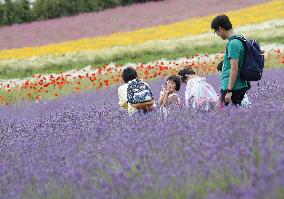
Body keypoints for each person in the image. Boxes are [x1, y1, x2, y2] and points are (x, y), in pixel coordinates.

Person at [211, 14, 249, 106]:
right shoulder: (240, 39)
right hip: (239, 84)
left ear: (221, 29)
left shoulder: (233, 44)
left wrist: (229, 91)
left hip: (233, 87)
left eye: (216, 32)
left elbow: (234, 68)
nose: (218, 35)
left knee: (228, 116)